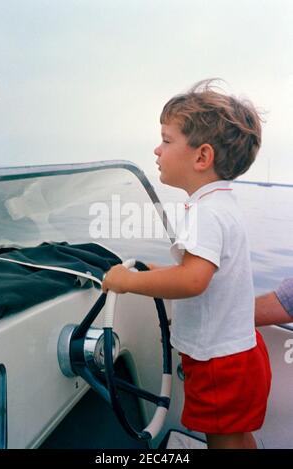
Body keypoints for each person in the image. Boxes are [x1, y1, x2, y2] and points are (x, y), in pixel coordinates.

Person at [102, 79, 271, 449]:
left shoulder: (204, 214)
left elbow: (194, 280)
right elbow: (201, 271)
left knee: (222, 441)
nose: (157, 150)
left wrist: (127, 282)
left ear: (201, 157)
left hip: (218, 363)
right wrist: (155, 271)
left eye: (166, 139)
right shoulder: (221, 204)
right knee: (238, 436)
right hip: (239, 352)